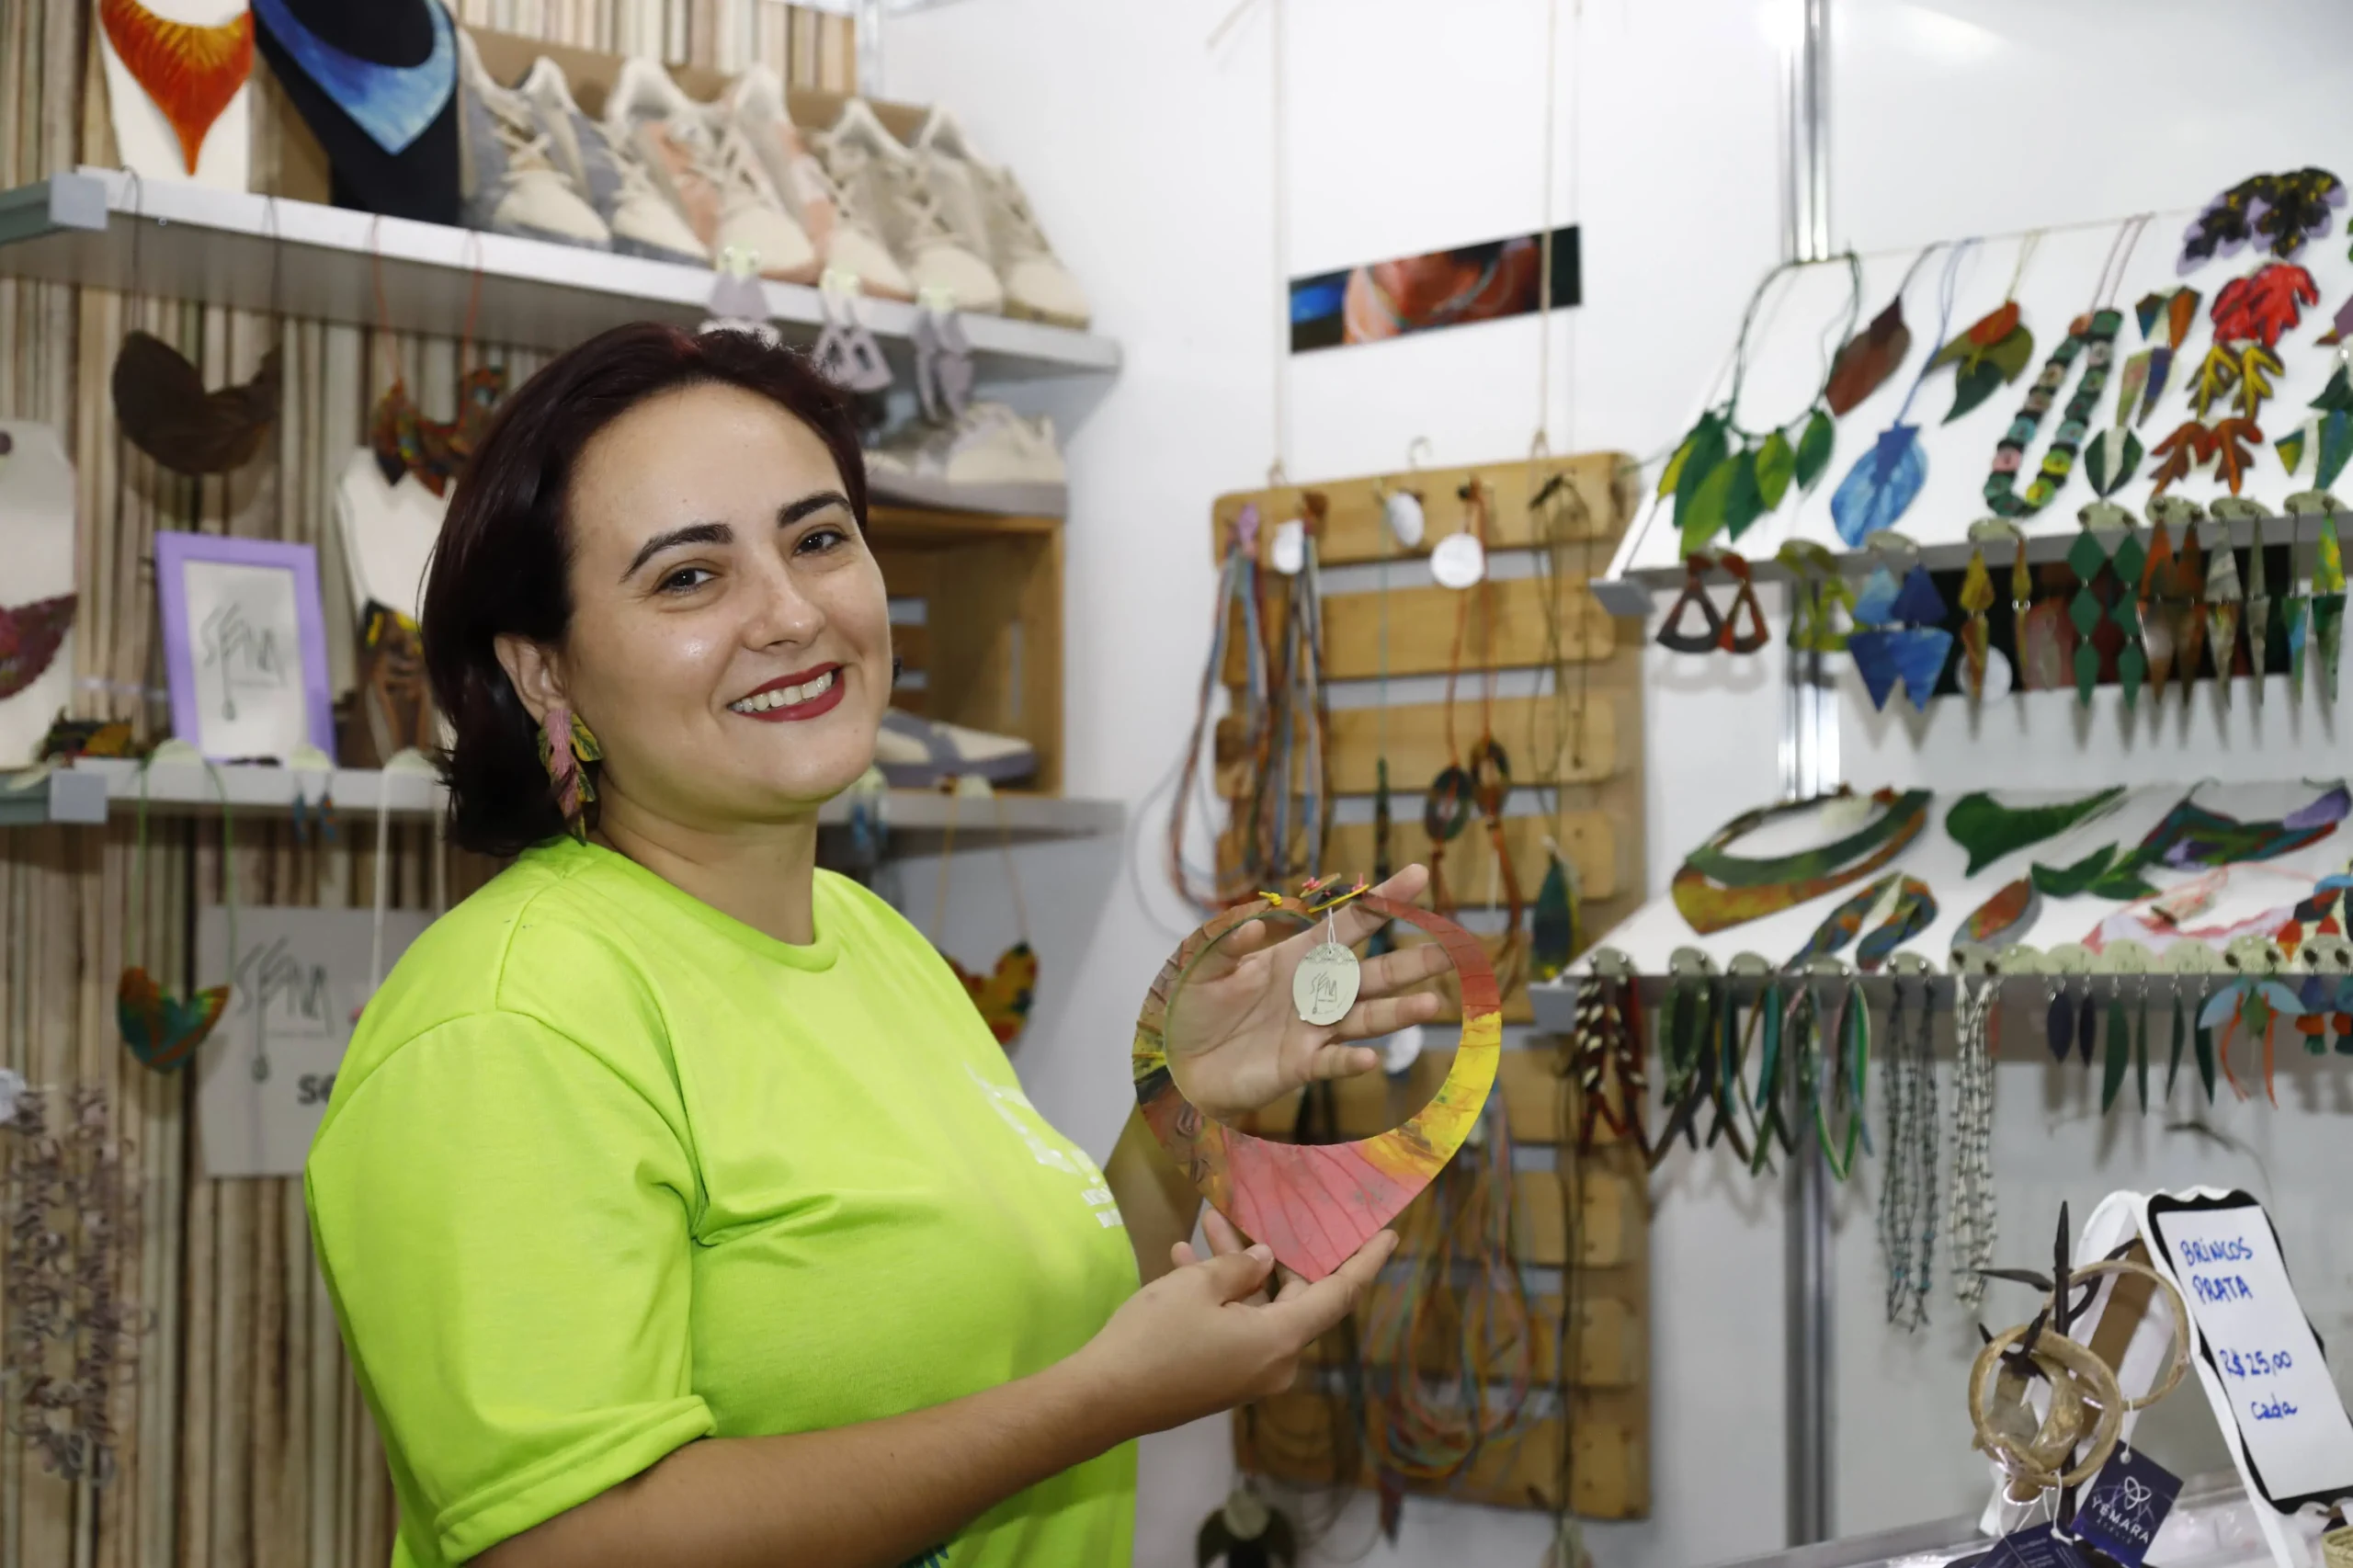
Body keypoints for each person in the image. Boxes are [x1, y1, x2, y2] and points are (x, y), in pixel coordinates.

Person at [303, 322, 1446, 1568]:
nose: (791, 612)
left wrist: (1188, 1099)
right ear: (543, 672)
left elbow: (1005, 1315)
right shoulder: (512, 1020)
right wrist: (1103, 1403)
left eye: (818, 538)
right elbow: (563, 1542)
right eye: (690, 576)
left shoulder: (866, 935)